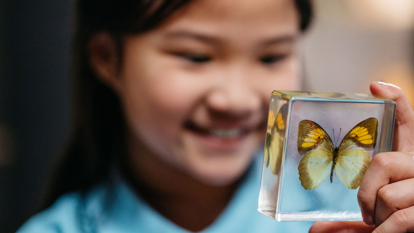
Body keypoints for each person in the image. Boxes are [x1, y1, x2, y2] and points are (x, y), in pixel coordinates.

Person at [16, 0, 414, 232]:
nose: (236, 99)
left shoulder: (361, 214)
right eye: (196, 56)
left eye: (271, 56)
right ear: (107, 59)